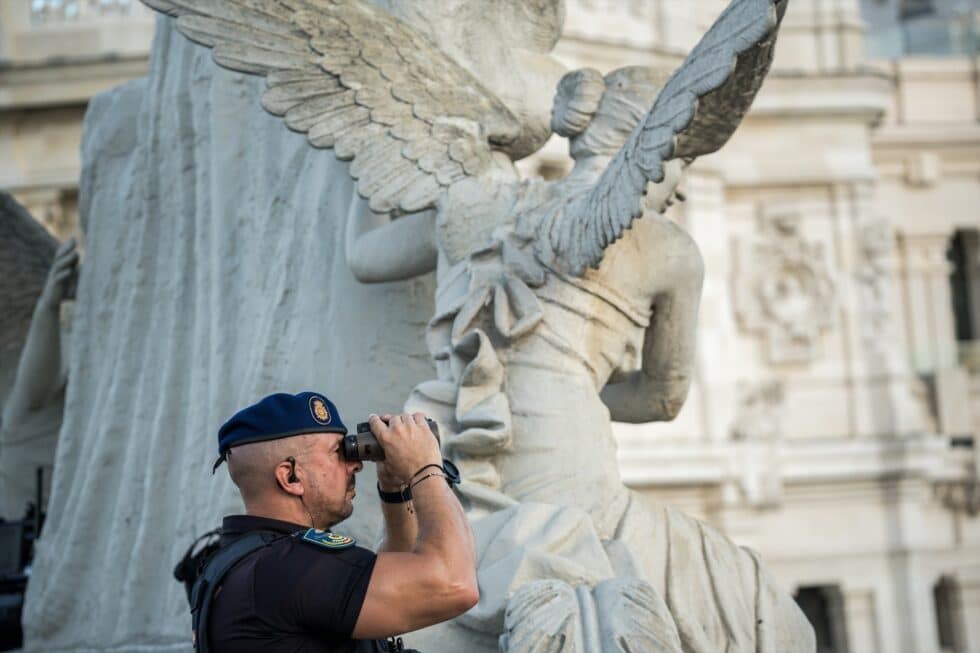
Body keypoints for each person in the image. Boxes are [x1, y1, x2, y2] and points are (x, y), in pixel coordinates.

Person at [201, 391, 478, 652]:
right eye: (338, 452)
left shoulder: (259, 563)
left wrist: (394, 488)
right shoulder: (287, 569)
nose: (355, 464)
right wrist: (426, 468)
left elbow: (397, 579)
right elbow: (455, 584)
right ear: (291, 477)